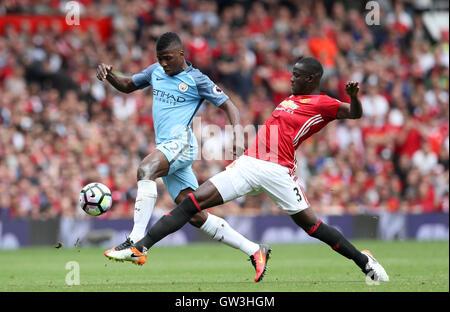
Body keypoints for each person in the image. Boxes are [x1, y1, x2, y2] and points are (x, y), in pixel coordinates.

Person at [107, 56, 390, 282]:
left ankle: (363, 260)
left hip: (278, 172)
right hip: (250, 164)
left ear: (311, 79)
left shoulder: (323, 103)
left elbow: (354, 114)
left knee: (313, 227)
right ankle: (140, 247)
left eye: (296, 74)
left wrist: (354, 98)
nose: (290, 78)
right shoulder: (289, 99)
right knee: (192, 203)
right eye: (291, 73)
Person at [97, 32, 269, 281]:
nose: (163, 63)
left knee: (145, 170)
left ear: (181, 54)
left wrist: (238, 137)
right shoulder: (155, 71)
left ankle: (135, 242)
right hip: (166, 147)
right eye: (160, 58)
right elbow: (127, 86)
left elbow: (229, 106)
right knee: (193, 212)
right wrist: (109, 74)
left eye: (167, 58)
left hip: (182, 144)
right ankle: (255, 250)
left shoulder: (196, 79)